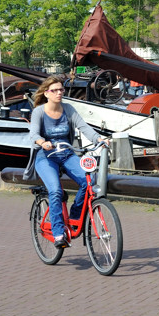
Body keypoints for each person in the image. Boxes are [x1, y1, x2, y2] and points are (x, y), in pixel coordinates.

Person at [28, 75, 105, 248]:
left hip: (67, 154)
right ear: (46, 93)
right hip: (46, 157)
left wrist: (99, 139)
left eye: (61, 89)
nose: (59, 93)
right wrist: (42, 142)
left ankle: (75, 215)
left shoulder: (68, 109)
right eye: (54, 90)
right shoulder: (39, 112)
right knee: (55, 191)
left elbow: (83, 127)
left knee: (89, 182)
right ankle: (58, 233)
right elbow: (33, 134)